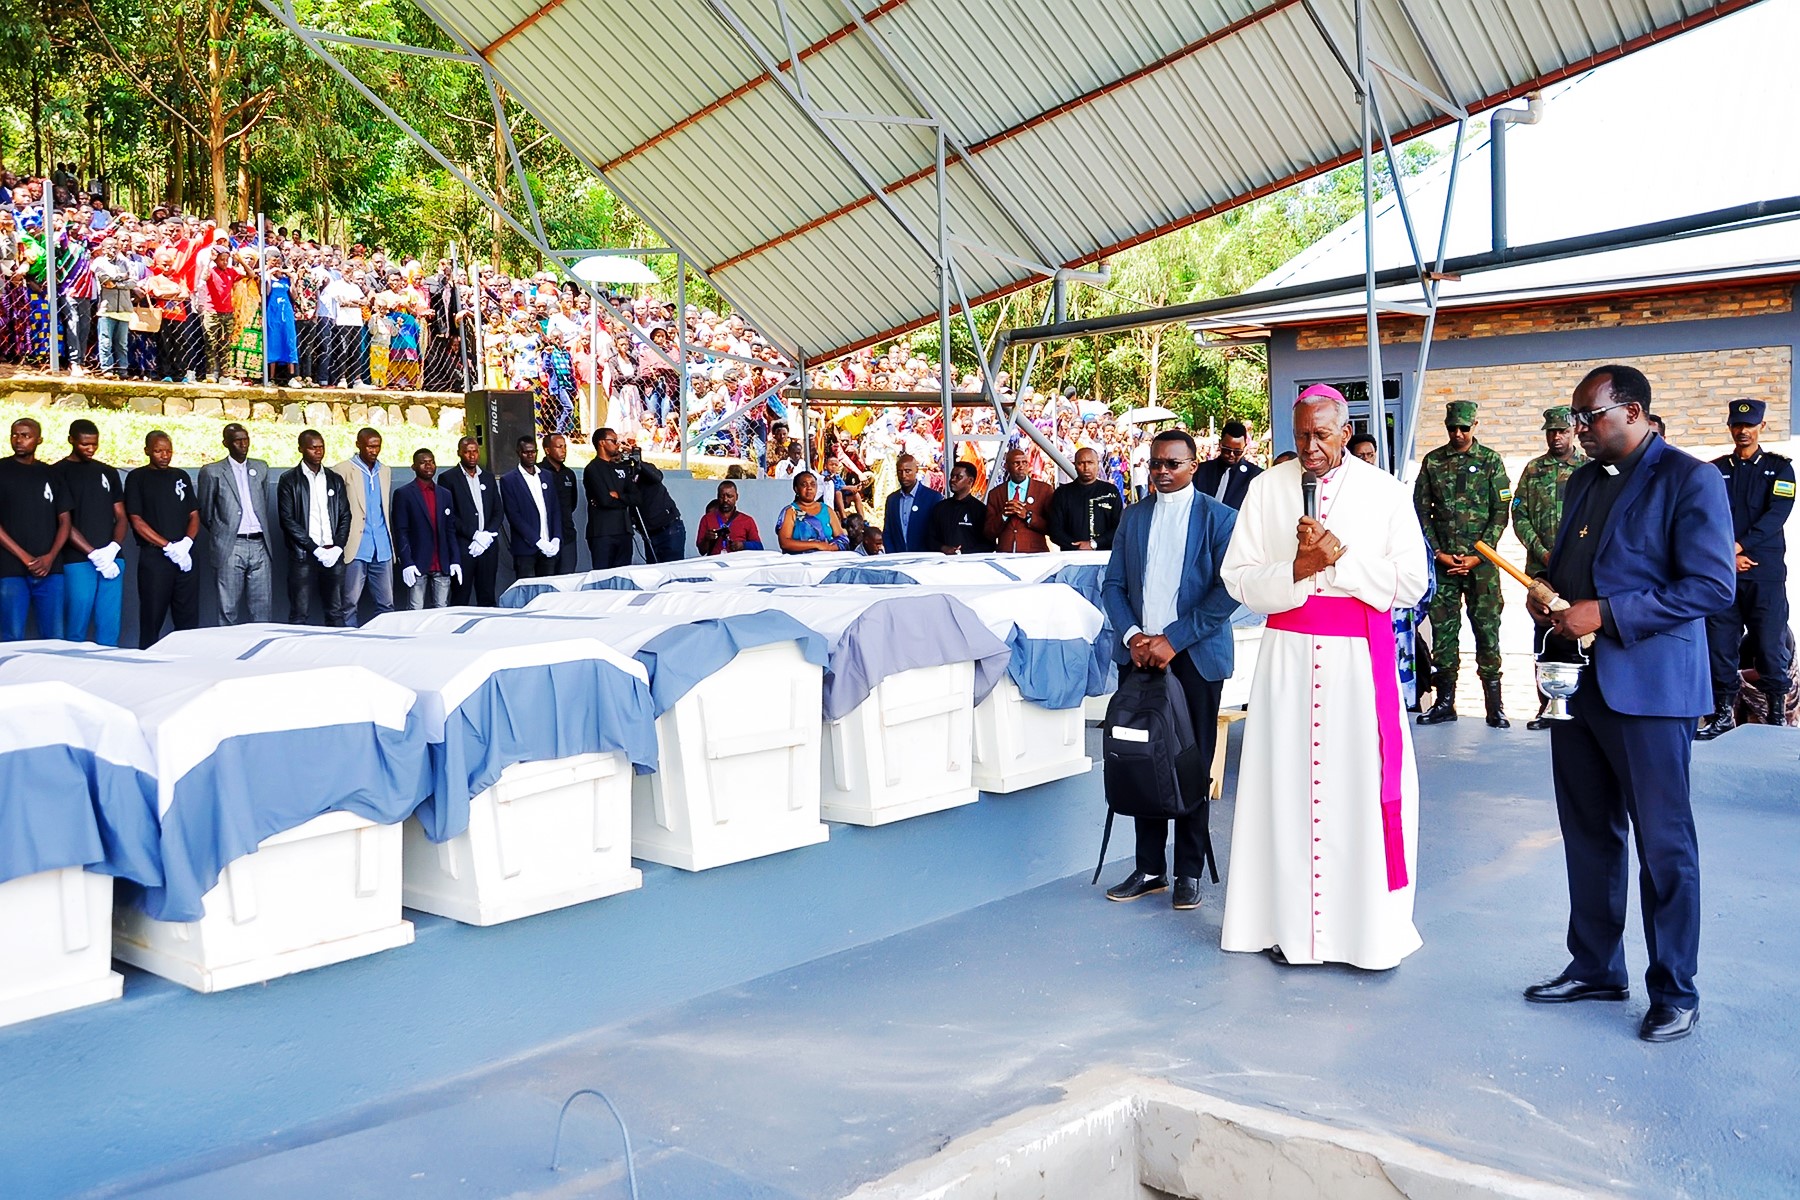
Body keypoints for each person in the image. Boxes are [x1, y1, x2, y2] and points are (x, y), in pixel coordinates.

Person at [1524, 365, 1733, 1044]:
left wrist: (1606, 614)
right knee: (1589, 832)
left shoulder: (1689, 479)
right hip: (1579, 686)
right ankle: (1595, 967)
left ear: (1634, 411)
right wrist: (1549, 591)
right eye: (1575, 420)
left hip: (1650, 691)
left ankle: (1676, 989)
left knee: (1664, 845)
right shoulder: (1584, 480)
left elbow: (1710, 586)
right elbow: (1574, 572)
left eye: (1590, 418)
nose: (1577, 431)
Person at [1218, 384, 1430, 969]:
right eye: (1300, 434)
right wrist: (1298, 568)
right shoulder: (1266, 489)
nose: (1309, 447)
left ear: (1345, 430)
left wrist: (1340, 558)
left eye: (1322, 435)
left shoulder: (1385, 493)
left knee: (1355, 792)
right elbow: (1237, 578)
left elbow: (1413, 583)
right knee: (1284, 787)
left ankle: (1359, 935)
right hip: (1286, 658)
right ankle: (1283, 926)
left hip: (1356, 666)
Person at [1099, 429, 1240, 911]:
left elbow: (1228, 592)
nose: (1162, 471)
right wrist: (1133, 636)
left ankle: (1189, 871)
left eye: (1172, 464)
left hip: (1194, 659)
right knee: (1141, 759)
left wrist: (1174, 639)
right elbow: (1113, 584)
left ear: (1193, 466)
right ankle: (1150, 868)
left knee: (1191, 763)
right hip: (1140, 658)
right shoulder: (1133, 517)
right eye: (1156, 463)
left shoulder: (1220, 519)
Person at [1694, 398, 1793, 738]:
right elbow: (1704, 519)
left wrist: (1739, 545)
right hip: (1724, 573)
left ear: (1761, 427)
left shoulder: (1780, 469)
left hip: (1764, 575)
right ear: (1730, 427)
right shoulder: (1714, 470)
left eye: (1749, 426)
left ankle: (1776, 719)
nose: (1742, 431)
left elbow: (1776, 515)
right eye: (1737, 425)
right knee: (1720, 645)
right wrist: (1729, 555)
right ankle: (1722, 716)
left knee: (1769, 645)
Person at [1414, 400, 1513, 728]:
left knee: (1487, 631)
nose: (1457, 434)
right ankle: (1445, 702)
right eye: (1452, 428)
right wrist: (1438, 552)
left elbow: (1501, 512)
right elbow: (1420, 510)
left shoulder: (1490, 461)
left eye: (1464, 428)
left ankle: (1494, 705)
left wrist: (1479, 555)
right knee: (1443, 632)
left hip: (1481, 565)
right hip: (1443, 564)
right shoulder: (1433, 462)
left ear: (1475, 426)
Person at [1512, 405, 1586, 729]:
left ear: (1573, 432)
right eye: (1552, 431)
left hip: (1580, 569)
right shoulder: (1533, 470)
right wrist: (1541, 551)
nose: (1557, 437)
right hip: (1541, 571)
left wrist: (1571, 553)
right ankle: (1546, 704)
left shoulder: (1588, 468)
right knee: (1544, 634)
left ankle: (1582, 705)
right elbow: (1519, 514)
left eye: (1563, 431)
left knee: (1579, 629)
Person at [125, 430, 199, 647]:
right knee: (152, 615)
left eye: (168, 451)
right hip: (155, 557)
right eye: (158, 451)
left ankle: (186, 659)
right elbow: (136, 520)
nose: (164, 456)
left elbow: (194, 514)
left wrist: (186, 544)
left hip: (184, 556)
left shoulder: (181, 476)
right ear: (147, 451)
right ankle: (147, 660)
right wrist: (167, 547)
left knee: (187, 617)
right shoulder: (138, 477)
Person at [55, 418, 127, 646]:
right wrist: (93, 554)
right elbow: (62, 521)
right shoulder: (57, 472)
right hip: (77, 559)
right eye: (84, 444)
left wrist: (113, 548)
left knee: (109, 623)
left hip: (112, 558)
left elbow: (122, 515)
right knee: (77, 623)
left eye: (94, 444)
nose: (90, 449)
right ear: (71, 440)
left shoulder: (107, 471)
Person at [0, 417, 72, 640]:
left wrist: (50, 557)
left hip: (50, 570)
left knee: (54, 638)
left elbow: (65, 521)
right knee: (11, 636)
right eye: (15, 434)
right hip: (10, 569)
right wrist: (26, 558)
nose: (18, 440)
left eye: (25, 435)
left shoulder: (52, 474)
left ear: (39, 440)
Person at [197, 422, 275, 626]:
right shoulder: (212, 471)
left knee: (262, 607)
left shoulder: (261, 467)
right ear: (226, 443)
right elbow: (206, 511)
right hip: (231, 545)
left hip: (259, 544)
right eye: (237, 440)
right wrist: (223, 531)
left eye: (246, 439)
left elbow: (263, 502)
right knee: (228, 607)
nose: (243, 444)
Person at [276, 428, 350, 626]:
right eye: (313, 448)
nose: (318, 451)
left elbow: (345, 515)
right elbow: (287, 519)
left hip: (332, 554)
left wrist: (338, 547)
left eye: (321, 447)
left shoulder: (334, 478)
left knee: (336, 612)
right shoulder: (289, 479)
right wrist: (313, 548)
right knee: (300, 613)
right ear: (301, 449)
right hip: (304, 556)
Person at [334, 427, 395, 625]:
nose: (374, 451)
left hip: (382, 546)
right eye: (369, 446)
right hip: (356, 546)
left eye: (377, 446)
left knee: (387, 604)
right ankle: (348, 642)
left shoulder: (385, 471)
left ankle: (383, 640)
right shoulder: (342, 470)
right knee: (349, 603)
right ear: (358, 444)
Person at [440, 435, 504, 606]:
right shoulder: (448, 478)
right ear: (459, 453)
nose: (472, 455)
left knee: (487, 594)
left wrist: (487, 535)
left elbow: (498, 511)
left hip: (488, 546)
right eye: (467, 452)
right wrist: (474, 534)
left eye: (475, 451)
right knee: (461, 595)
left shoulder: (488, 478)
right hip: (464, 546)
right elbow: (449, 515)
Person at [393, 449, 461, 609]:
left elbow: (450, 530)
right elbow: (401, 531)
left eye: (431, 461)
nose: (428, 466)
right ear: (413, 467)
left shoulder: (445, 494)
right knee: (415, 610)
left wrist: (455, 559)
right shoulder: (403, 494)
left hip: (442, 563)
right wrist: (407, 562)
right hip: (417, 563)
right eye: (423, 462)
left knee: (442, 609)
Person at [500, 435, 562, 579]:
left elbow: (555, 509)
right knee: (527, 590)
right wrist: (537, 540)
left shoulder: (546, 476)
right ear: (518, 453)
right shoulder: (509, 480)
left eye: (533, 451)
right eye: (526, 452)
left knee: (547, 590)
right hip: (525, 548)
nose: (530, 455)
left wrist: (557, 537)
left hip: (549, 545)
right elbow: (514, 516)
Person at [583, 427, 639, 569]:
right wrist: (624, 499)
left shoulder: (621, 468)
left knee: (623, 575)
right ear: (602, 443)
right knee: (603, 576)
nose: (617, 445)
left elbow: (637, 498)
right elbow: (605, 500)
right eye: (613, 441)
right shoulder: (592, 468)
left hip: (624, 531)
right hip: (602, 533)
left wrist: (619, 496)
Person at [1048, 446, 1123, 550]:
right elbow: (1055, 530)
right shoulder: (1062, 494)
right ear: (1075, 465)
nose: (1086, 467)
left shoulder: (1111, 491)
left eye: (1090, 462)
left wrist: (1094, 544)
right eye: (1081, 463)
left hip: (1104, 557)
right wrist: (1077, 546)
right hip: (1071, 558)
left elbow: (1119, 527)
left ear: (1098, 464)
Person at [985, 447, 1055, 553]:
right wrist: (1003, 515)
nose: (1021, 467)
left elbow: (1052, 527)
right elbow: (989, 532)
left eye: (1024, 463)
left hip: (1034, 553)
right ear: (1006, 466)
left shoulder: (1044, 490)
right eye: (1016, 463)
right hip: (1005, 553)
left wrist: (1028, 516)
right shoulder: (996, 494)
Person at [1192, 419, 1263, 509]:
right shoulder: (1202, 471)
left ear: (1245, 447)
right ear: (1220, 444)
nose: (1231, 455)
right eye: (1227, 450)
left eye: (1237, 451)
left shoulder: (1255, 476)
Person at [930, 460, 994, 554]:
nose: (952, 480)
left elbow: (989, 544)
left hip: (971, 563)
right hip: (943, 563)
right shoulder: (940, 507)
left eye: (958, 477)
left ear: (970, 480)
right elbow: (930, 538)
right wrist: (944, 548)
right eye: (952, 476)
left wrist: (963, 552)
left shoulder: (980, 510)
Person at [883, 453, 941, 554]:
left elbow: (938, 532)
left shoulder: (932, 497)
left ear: (916, 470)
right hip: (898, 558)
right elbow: (888, 532)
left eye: (907, 471)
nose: (903, 476)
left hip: (925, 559)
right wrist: (891, 554)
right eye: (900, 472)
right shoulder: (892, 500)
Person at [778, 471, 849, 553]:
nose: (809, 488)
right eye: (804, 485)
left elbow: (842, 539)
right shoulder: (790, 511)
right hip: (798, 562)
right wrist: (816, 545)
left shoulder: (827, 510)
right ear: (796, 489)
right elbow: (785, 543)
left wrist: (829, 548)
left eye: (813, 484)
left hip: (827, 560)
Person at [541, 432, 581, 574]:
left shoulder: (569, 474)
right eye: (559, 447)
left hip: (567, 534)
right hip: (546, 537)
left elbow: (573, 503)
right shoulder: (539, 472)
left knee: (567, 578)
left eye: (565, 447)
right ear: (547, 450)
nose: (563, 451)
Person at [696, 481, 763, 554]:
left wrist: (743, 545)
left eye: (729, 496)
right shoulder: (706, 519)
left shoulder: (747, 520)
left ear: (736, 497)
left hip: (739, 563)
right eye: (722, 496)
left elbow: (759, 547)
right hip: (714, 564)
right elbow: (701, 551)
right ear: (717, 497)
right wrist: (707, 539)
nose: (725, 500)